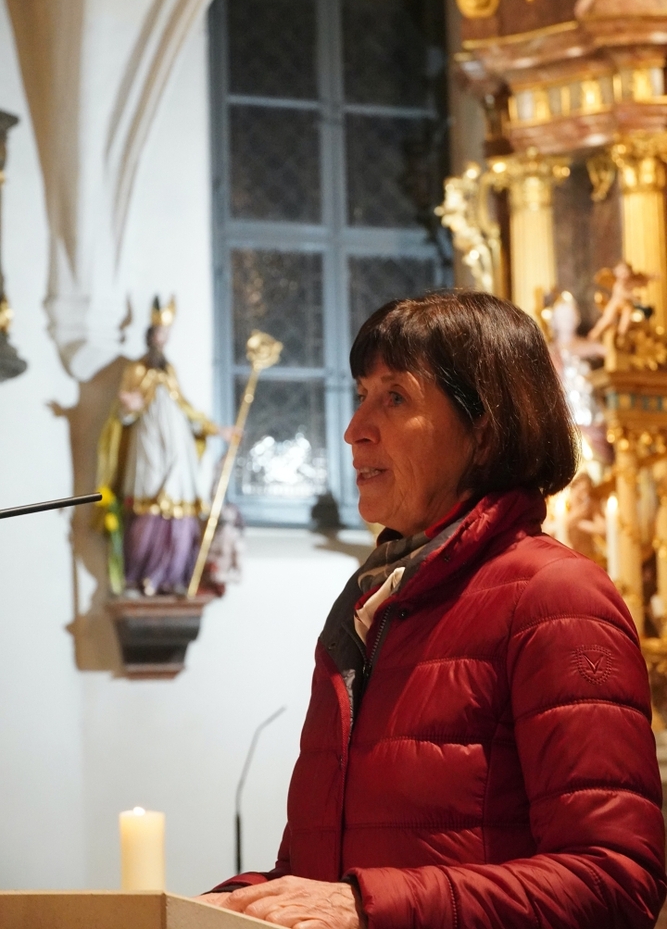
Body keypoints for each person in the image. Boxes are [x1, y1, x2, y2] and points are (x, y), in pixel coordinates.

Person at [201, 291, 666, 929]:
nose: (354, 428)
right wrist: (227, 905)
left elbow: (615, 879)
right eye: (362, 394)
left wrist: (367, 906)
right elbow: (328, 875)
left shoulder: (556, 598)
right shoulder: (371, 609)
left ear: (484, 431)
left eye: (395, 397)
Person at [98, 296, 232, 595]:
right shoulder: (135, 369)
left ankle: (172, 577)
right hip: (148, 448)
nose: (162, 339)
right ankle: (140, 576)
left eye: (166, 334)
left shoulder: (169, 370)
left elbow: (186, 408)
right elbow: (123, 415)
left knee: (180, 511)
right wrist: (128, 406)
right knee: (147, 507)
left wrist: (216, 430)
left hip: (178, 450)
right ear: (150, 335)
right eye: (159, 333)